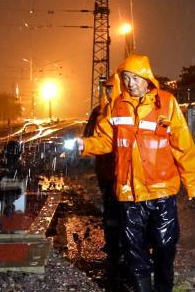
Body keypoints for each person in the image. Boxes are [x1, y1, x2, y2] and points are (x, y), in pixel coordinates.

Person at [75, 54, 195, 292]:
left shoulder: (166, 103)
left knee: (165, 246)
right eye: (126, 78)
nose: (131, 83)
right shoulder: (116, 106)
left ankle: (163, 288)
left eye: (135, 78)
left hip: (162, 190)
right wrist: (85, 145)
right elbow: (105, 141)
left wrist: (193, 184)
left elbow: (183, 146)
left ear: (147, 79)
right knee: (134, 250)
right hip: (128, 192)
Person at [83, 74, 122, 288]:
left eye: (112, 88)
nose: (109, 92)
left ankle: (119, 246)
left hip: (123, 170)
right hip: (107, 170)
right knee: (110, 207)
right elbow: (89, 137)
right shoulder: (99, 111)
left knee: (122, 208)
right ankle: (113, 246)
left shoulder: (124, 109)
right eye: (107, 89)